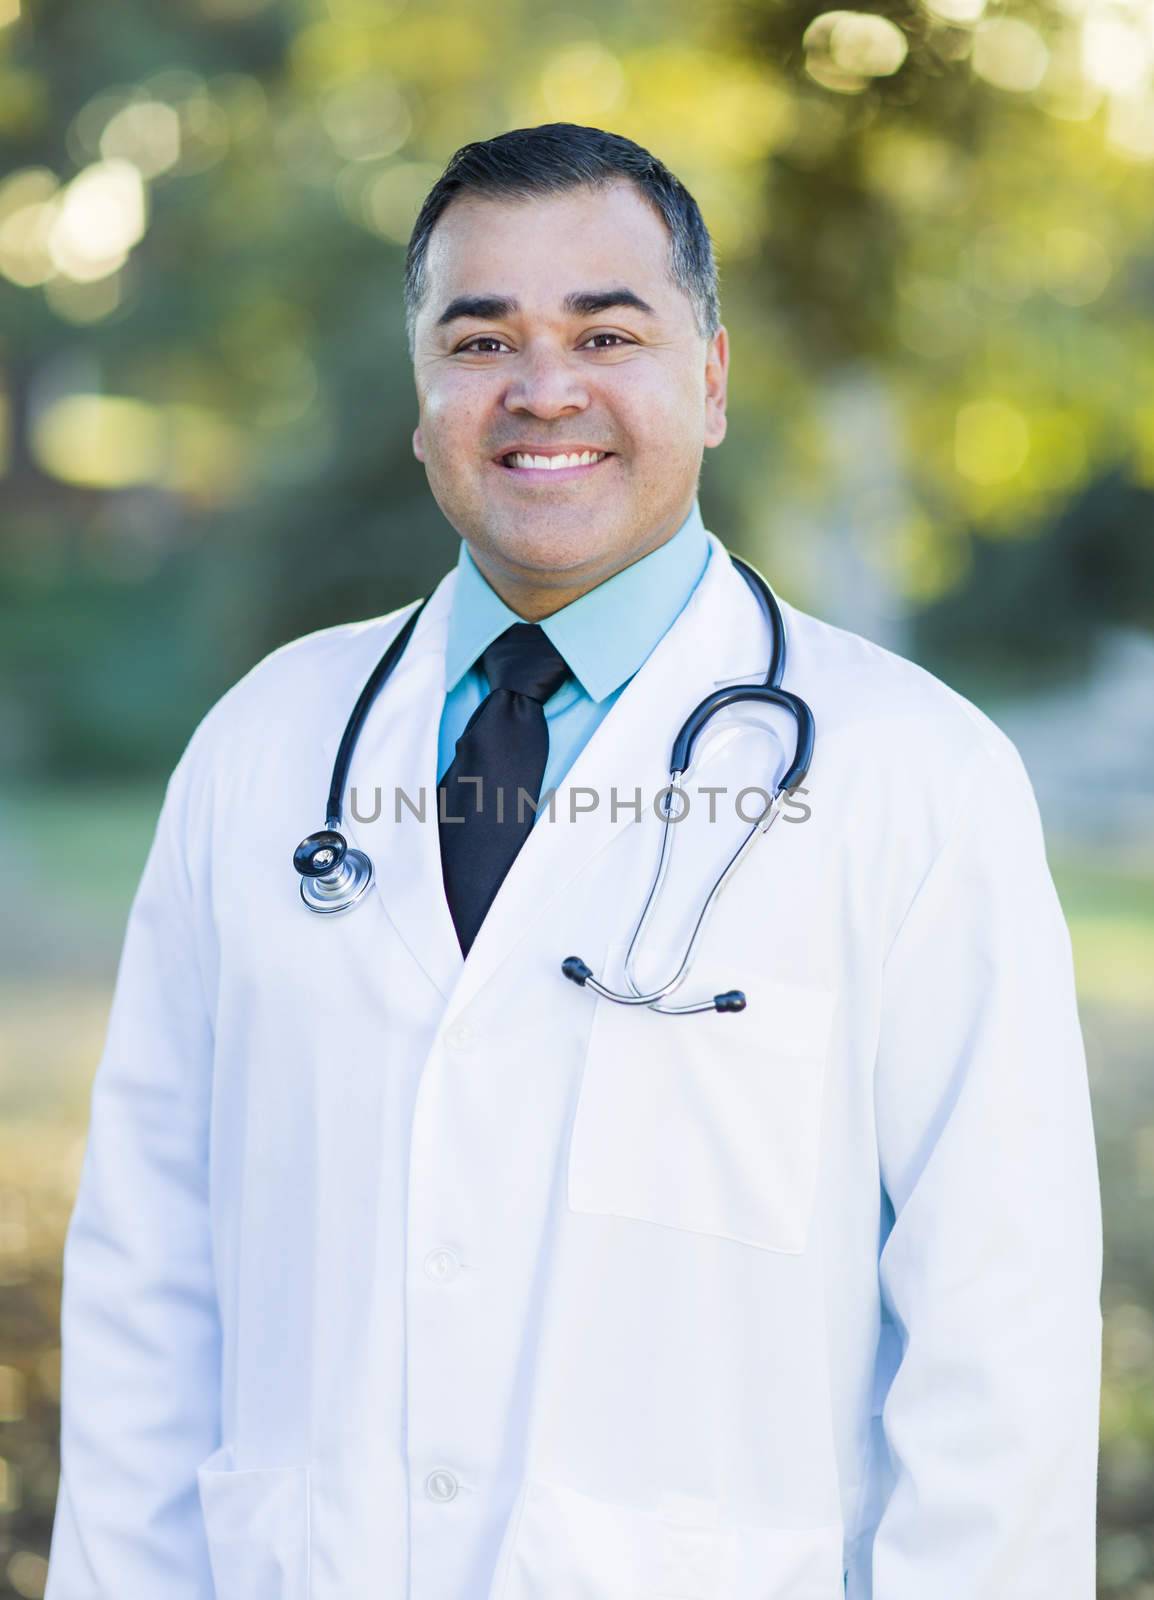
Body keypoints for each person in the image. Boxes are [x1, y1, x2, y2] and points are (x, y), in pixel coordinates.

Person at [46, 123, 1102, 1600]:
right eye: (481, 340)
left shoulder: (913, 777)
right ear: (421, 395)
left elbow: (1001, 1331)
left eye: (608, 331)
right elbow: (147, 1271)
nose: (543, 389)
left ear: (712, 378)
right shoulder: (263, 746)